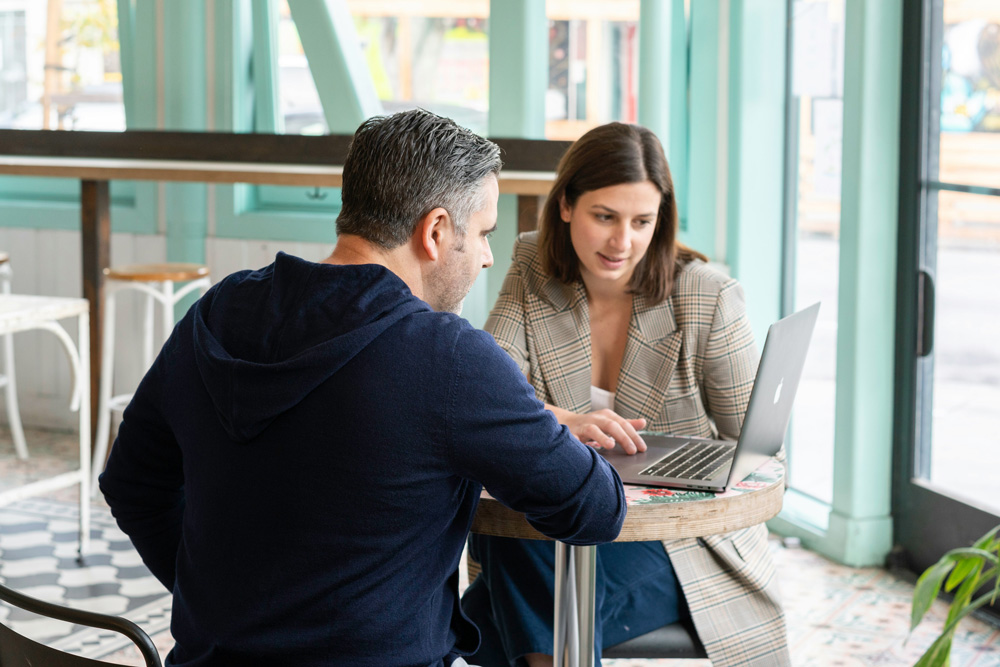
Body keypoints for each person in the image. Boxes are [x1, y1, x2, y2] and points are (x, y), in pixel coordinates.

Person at [99, 109, 627, 667]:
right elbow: (596, 509)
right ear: (436, 231)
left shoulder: (218, 311)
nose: (488, 256)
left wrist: (218, 608)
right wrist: (537, 421)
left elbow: (131, 483)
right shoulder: (449, 357)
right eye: (482, 234)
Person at [461, 122, 790, 667]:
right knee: (526, 546)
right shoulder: (533, 264)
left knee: (479, 615)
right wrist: (562, 420)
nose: (622, 242)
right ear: (566, 205)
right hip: (560, 523)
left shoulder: (708, 296)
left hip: (677, 544)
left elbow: (762, 455)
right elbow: (486, 396)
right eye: (605, 217)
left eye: (642, 222)